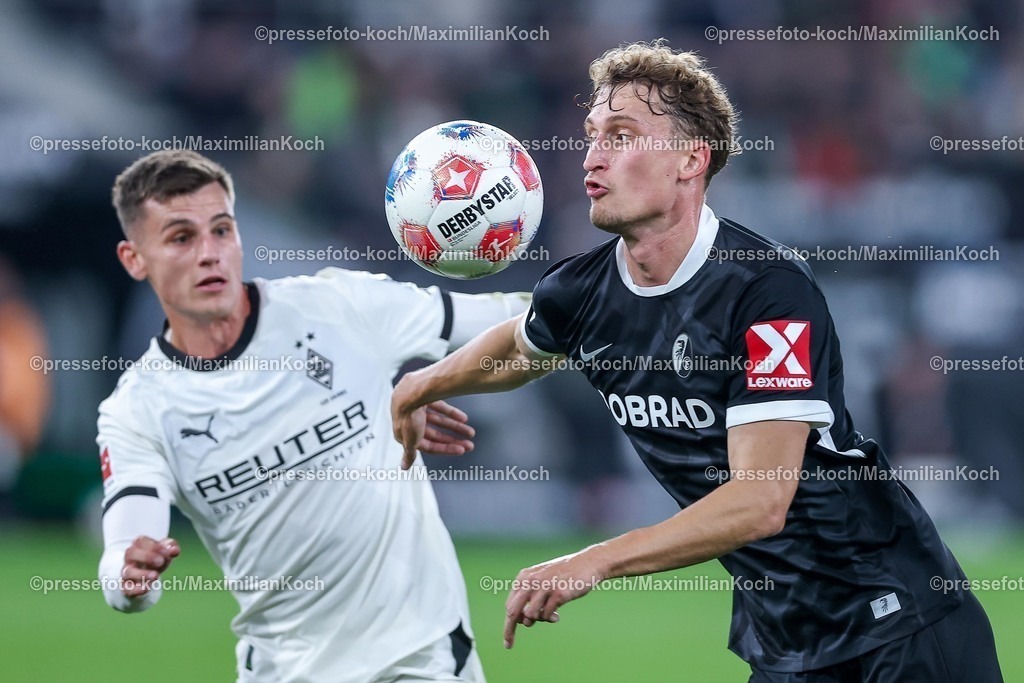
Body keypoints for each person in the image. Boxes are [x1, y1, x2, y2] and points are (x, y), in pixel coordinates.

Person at [391, 40, 1004, 682]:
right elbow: (522, 347)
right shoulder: (580, 291)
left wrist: (594, 560)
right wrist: (420, 384)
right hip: (784, 642)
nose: (593, 157)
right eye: (592, 135)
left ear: (691, 158)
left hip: (896, 626)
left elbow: (760, 500)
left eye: (622, 135)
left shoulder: (766, 291)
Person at [97, 150, 529, 682]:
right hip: (284, 670)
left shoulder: (337, 306)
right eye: (182, 238)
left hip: (418, 657)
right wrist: (129, 575)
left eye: (222, 230)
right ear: (134, 258)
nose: (210, 254)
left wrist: (616, 293)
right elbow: (124, 555)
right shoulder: (136, 409)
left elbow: (504, 322)